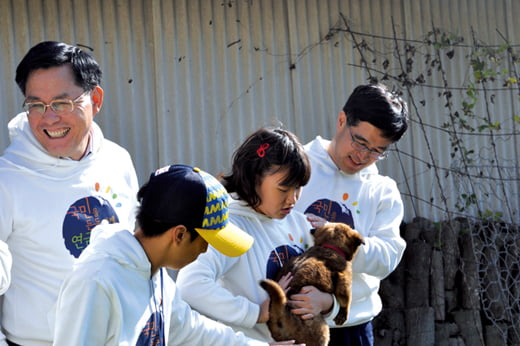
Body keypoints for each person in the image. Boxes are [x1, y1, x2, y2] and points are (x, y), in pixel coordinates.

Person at [54, 164, 302, 346]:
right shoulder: (96, 281)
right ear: (179, 234)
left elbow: (190, 329)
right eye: (206, 241)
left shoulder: (155, 273)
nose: (206, 250)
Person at [0, 41, 139, 345]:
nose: (49, 119)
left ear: (96, 99)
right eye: (36, 105)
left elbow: (133, 252)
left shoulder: (117, 160)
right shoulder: (7, 179)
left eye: (62, 103)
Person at [177, 127, 339, 342]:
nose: (293, 199)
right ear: (253, 179)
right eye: (283, 190)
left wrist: (327, 302)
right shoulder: (226, 227)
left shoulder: (300, 224)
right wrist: (255, 313)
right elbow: (191, 285)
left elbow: (333, 281)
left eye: (298, 188)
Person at [294, 83, 409, 346]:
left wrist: (337, 243)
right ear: (341, 120)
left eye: (377, 151)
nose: (363, 155)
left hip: (351, 326)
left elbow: (388, 256)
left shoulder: (382, 190)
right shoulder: (296, 166)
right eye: (360, 141)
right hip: (293, 319)